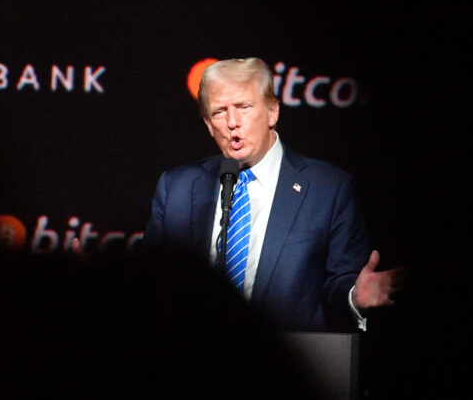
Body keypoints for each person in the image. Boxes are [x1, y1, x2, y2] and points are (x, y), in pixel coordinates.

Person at [145, 58, 403, 332]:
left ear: (272, 112)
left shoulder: (329, 189)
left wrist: (355, 298)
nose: (232, 122)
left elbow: (338, 284)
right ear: (209, 125)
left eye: (243, 107)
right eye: (220, 112)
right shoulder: (177, 188)